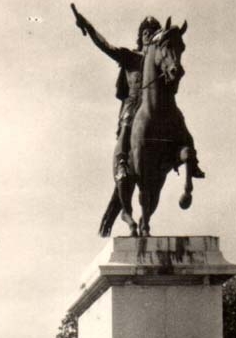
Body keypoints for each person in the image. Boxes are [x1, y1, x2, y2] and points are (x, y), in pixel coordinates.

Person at [72, 10, 180, 203]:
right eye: (146, 33)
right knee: (128, 123)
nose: (149, 36)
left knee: (175, 119)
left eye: (153, 32)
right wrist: (87, 26)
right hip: (133, 105)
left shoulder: (159, 60)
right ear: (141, 37)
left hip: (156, 107)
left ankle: (186, 156)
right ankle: (122, 163)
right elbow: (106, 46)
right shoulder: (131, 57)